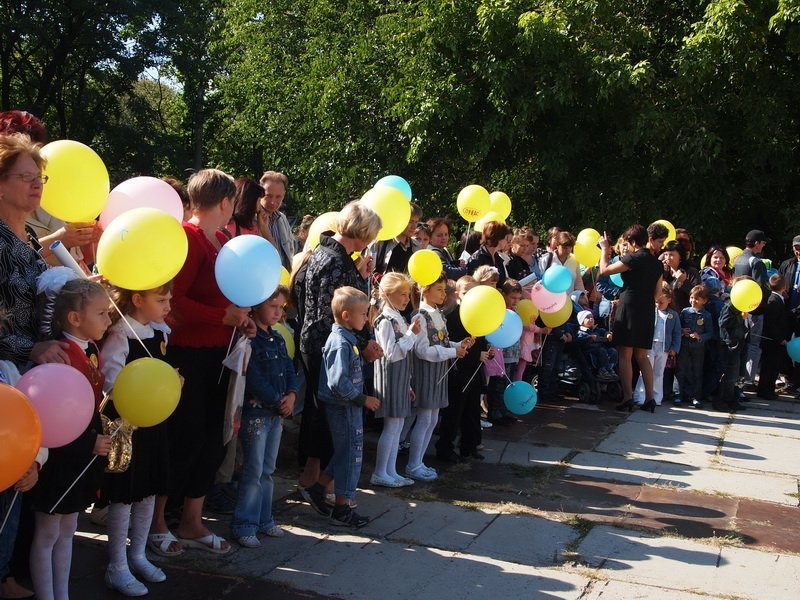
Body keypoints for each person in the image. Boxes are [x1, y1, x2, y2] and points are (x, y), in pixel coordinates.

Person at [153, 169, 255, 557]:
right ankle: (159, 521)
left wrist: (241, 320)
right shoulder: (190, 239)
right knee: (182, 439)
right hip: (187, 357)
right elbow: (173, 303)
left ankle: (193, 521)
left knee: (212, 440)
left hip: (221, 356)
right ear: (226, 202)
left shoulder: (224, 238)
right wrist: (223, 317)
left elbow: (224, 299)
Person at [29, 279, 112, 600]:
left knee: (67, 530)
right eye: (102, 313)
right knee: (48, 531)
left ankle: (61, 594)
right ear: (75, 318)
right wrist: (87, 443)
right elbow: (51, 415)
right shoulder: (61, 356)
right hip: (59, 456)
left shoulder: (91, 349)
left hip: (81, 451)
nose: (108, 320)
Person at [297, 201, 383, 502]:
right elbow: (334, 314)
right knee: (328, 416)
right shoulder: (334, 261)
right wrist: (362, 344)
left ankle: (317, 482)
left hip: (319, 343)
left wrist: (358, 272)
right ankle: (317, 484)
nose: (370, 242)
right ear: (361, 232)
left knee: (321, 415)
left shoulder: (329, 254)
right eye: (370, 235)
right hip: (327, 347)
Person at [100, 283, 174, 595]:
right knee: (125, 496)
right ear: (138, 299)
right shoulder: (120, 335)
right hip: (127, 430)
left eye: (169, 299)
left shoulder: (159, 331)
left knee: (147, 492)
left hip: (154, 425)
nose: (168, 305)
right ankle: (116, 565)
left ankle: (138, 554)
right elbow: (112, 384)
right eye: (161, 300)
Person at [302, 287, 380, 527]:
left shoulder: (347, 339)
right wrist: (362, 399)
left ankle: (318, 488)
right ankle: (342, 509)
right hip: (343, 408)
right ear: (346, 316)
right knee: (351, 457)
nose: (366, 319)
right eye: (363, 314)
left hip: (348, 408)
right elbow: (338, 382)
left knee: (346, 452)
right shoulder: (340, 343)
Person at [231, 286, 297, 548]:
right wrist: (276, 399)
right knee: (253, 469)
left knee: (268, 469)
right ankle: (244, 523)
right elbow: (253, 377)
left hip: (275, 414)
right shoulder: (249, 339)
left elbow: (289, 368)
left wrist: (291, 395)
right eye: (273, 306)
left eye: (281, 307)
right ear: (256, 306)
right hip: (258, 413)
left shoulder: (278, 338)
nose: (278, 312)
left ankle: (264, 518)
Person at [0, 133, 70, 366]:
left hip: (41, 376)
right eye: (26, 177)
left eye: (40, 177)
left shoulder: (28, 235)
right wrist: (31, 349)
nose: (37, 184)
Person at [409, 274, 471, 480]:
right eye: (439, 290)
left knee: (433, 419)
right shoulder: (420, 316)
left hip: (439, 372)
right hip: (427, 372)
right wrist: (452, 353)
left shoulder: (439, 313)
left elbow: (443, 342)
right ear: (425, 290)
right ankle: (413, 464)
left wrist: (458, 345)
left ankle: (419, 461)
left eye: (445, 290)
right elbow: (422, 350)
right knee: (425, 418)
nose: (443, 294)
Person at [598, 224, 666, 412]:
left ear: (634, 242)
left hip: (629, 306)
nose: (626, 247)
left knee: (625, 355)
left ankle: (627, 397)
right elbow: (658, 294)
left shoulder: (633, 258)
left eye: (628, 243)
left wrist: (605, 249)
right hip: (646, 310)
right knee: (642, 356)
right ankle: (650, 399)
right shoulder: (657, 263)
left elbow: (604, 271)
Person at [370, 273, 420, 487]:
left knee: (398, 426)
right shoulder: (385, 320)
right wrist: (411, 335)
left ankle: (391, 470)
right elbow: (390, 353)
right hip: (389, 378)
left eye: (408, 294)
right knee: (391, 426)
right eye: (402, 294)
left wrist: (407, 384)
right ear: (388, 294)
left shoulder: (398, 317)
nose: (406, 299)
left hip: (399, 379)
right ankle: (381, 471)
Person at [439, 276, 489, 462]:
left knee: (472, 410)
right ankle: (445, 447)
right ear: (458, 294)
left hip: (475, 370)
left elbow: (481, 339)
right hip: (458, 370)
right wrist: (476, 355)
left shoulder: (479, 315)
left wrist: (485, 351)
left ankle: (470, 445)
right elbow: (453, 343)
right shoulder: (453, 316)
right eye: (465, 292)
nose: (469, 296)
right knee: (455, 410)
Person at [733, 230, 771, 387]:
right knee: (753, 345)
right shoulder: (756, 262)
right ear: (756, 243)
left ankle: (737, 379)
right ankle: (748, 380)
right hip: (754, 310)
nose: (763, 246)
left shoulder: (738, 259)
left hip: (738, 307)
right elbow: (763, 288)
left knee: (739, 344)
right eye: (763, 243)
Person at [633, 284, 681, 406]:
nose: (658, 305)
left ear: (669, 300)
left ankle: (656, 397)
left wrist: (674, 348)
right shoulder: (651, 312)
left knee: (659, 372)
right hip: (650, 345)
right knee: (645, 370)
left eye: (661, 302)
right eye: (657, 302)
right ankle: (640, 396)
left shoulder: (673, 315)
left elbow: (677, 333)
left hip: (664, 347)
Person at [678, 285, 714, 409]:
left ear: (704, 301)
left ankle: (696, 397)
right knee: (681, 370)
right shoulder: (685, 311)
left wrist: (700, 336)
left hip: (698, 348)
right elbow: (678, 328)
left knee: (697, 372)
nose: (693, 301)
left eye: (697, 299)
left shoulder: (707, 315)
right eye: (692, 298)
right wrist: (683, 331)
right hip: (684, 345)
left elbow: (710, 333)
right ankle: (679, 394)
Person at [715, 280, 749, 412]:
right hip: (730, 343)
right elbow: (723, 322)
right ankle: (722, 400)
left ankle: (732, 398)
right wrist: (737, 315)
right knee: (730, 373)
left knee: (737, 374)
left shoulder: (742, 306)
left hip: (740, 341)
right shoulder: (731, 305)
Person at [757, 274, 790, 401]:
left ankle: (768, 390)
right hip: (772, 340)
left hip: (774, 340)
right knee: (769, 367)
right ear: (784, 286)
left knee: (773, 367)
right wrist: (779, 338)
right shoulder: (774, 301)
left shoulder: (777, 298)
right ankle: (765, 391)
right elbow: (772, 323)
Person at [257, 171, 296, 270]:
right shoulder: (251, 219)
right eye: (268, 196)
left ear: (284, 195)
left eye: (278, 197)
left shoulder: (282, 219)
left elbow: (290, 252)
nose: (273, 201)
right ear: (260, 193)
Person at [371, 203, 421, 275]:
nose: (414, 226)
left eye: (416, 222)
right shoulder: (380, 243)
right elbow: (368, 273)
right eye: (410, 222)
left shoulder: (416, 246)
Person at [575, 310, 617, 380]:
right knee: (601, 351)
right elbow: (580, 338)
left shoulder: (597, 329)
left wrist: (608, 334)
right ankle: (602, 370)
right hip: (589, 351)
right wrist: (589, 337)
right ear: (582, 321)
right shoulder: (581, 331)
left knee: (613, 351)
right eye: (588, 318)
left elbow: (604, 332)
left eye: (592, 317)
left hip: (600, 350)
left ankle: (610, 369)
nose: (591, 319)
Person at [661, 240, 702, 311]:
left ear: (680, 256)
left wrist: (684, 281)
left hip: (686, 314)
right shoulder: (664, 272)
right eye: (666, 254)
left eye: (671, 255)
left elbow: (698, 295)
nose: (667, 258)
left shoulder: (691, 272)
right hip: (667, 313)